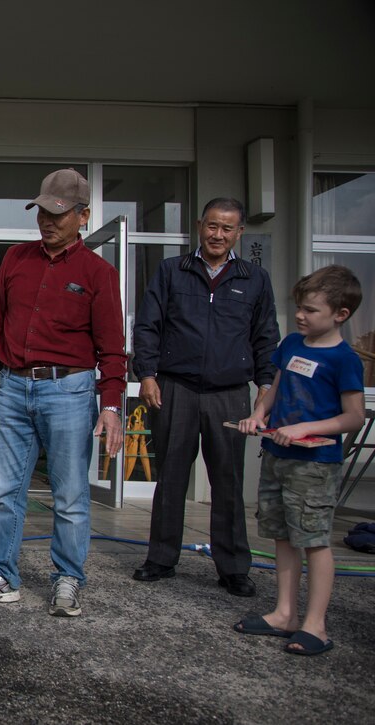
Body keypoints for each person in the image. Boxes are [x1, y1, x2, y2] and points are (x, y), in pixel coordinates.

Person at [0, 169, 125, 616]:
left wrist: (111, 405)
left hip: (69, 391)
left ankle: (68, 578)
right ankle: (1, 576)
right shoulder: (15, 259)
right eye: (42, 212)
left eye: (58, 213)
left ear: (83, 216)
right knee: (2, 490)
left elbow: (113, 349)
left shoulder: (99, 273)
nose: (47, 222)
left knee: (69, 494)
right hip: (12, 387)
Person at [131, 198, 280, 597]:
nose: (218, 235)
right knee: (171, 477)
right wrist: (146, 374)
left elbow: (266, 337)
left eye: (227, 228)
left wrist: (265, 387)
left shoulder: (255, 279)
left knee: (228, 482)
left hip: (230, 393)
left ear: (239, 233)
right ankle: (161, 559)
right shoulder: (171, 271)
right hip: (175, 389)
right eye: (212, 226)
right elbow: (147, 326)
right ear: (200, 226)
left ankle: (233, 567)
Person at [233, 265, 364, 655]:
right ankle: (284, 613)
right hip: (276, 454)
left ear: (340, 314)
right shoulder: (291, 343)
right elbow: (275, 387)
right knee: (282, 535)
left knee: (314, 540)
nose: (301, 316)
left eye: (311, 310)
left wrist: (308, 427)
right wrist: (260, 414)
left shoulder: (344, 359)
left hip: (315, 463)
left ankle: (315, 625)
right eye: (300, 308)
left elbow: (353, 416)